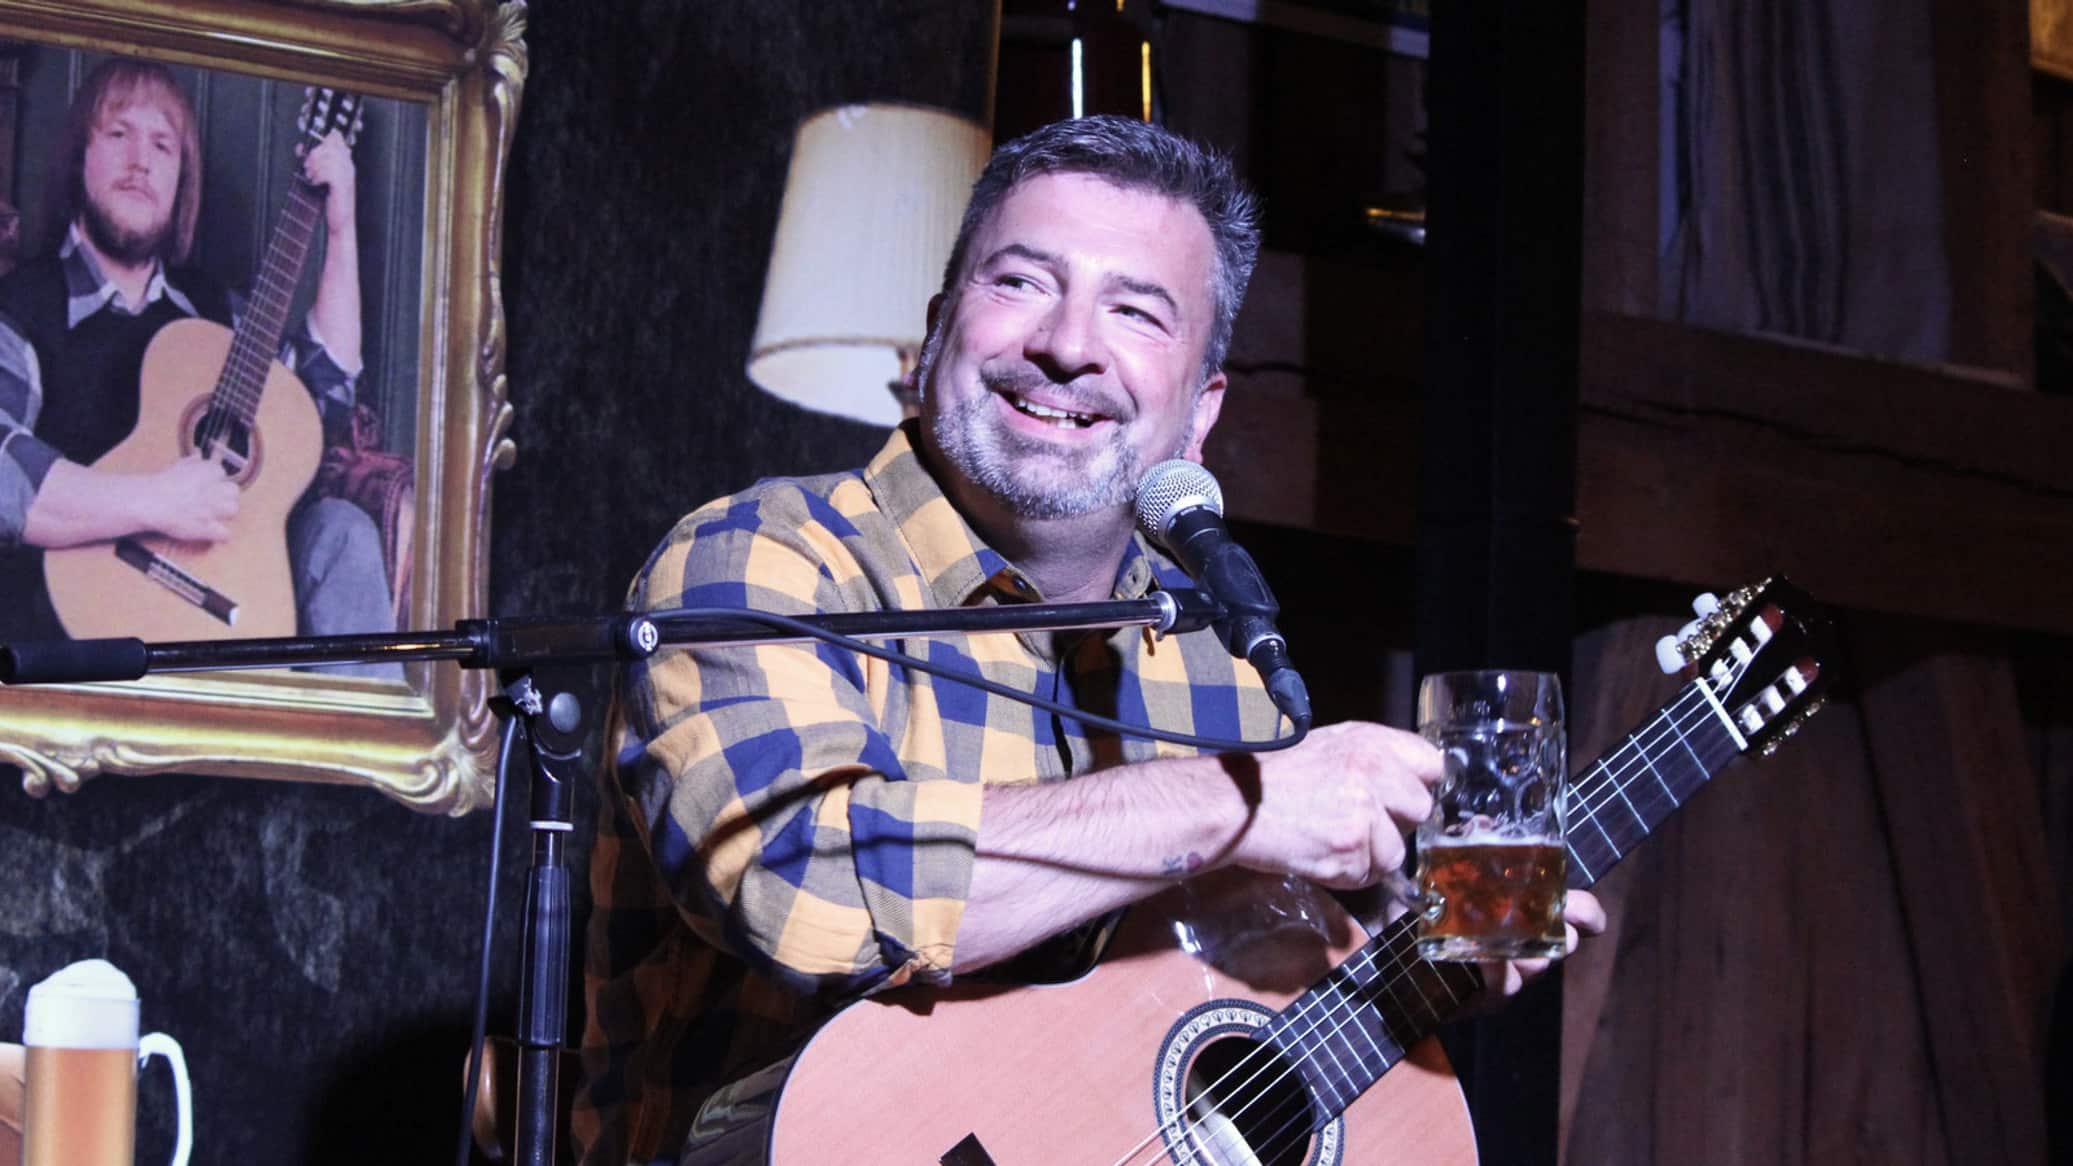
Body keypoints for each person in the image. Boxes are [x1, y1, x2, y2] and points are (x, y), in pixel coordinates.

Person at [574, 114, 1605, 1164]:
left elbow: (1185, 1014)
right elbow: (799, 884)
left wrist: (1416, 964)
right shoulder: (763, 563)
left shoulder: (1221, 659)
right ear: (935, 334)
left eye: (1136, 312)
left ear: (1200, 411)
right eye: (1021, 281)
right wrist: (1239, 804)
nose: (1067, 346)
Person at [0, 57, 397, 676]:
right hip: (75, 619)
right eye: (119, 133)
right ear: (80, 157)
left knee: (343, 531)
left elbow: (320, 398)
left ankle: (359, 740)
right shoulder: (19, 307)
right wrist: (155, 501)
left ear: (180, 180)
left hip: (222, 604)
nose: (141, 160)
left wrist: (340, 231)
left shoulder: (217, 315)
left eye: (163, 145)